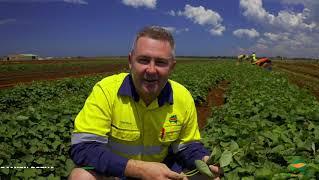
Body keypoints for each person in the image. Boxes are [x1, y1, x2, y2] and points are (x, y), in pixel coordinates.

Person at [68, 26, 222, 180]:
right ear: (130, 61)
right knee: (81, 176)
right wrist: (139, 169)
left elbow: (187, 146)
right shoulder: (106, 91)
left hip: (163, 172)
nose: (151, 70)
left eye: (161, 62)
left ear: (172, 67)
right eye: (144, 60)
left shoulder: (182, 97)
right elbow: (84, 147)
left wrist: (204, 160)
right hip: (115, 172)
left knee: (209, 177)